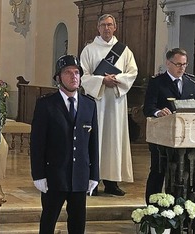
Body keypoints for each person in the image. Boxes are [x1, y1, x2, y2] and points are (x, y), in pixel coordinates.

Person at [30, 55, 99, 234]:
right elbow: (37, 143)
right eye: (68, 72)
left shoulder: (89, 105)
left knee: (77, 223)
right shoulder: (46, 104)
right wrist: (38, 174)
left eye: (77, 72)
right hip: (54, 175)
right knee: (48, 220)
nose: (74, 76)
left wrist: (94, 175)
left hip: (79, 176)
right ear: (58, 78)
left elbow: (93, 143)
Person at [79, 13, 137, 196]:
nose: (107, 28)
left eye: (110, 25)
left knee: (114, 140)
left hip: (116, 103)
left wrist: (117, 79)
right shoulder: (89, 50)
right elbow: (82, 75)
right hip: (96, 102)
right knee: (96, 140)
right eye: (103, 25)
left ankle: (112, 182)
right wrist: (102, 80)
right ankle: (93, 182)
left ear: (115, 27)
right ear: (98, 27)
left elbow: (132, 72)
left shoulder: (124, 50)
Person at [143, 48, 195, 203]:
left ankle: (179, 206)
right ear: (168, 63)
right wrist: (158, 112)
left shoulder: (191, 84)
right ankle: (152, 208)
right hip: (161, 138)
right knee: (158, 172)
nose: (181, 68)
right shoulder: (157, 83)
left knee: (182, 174)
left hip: (186, 139)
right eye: (178, 64)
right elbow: (148, 108)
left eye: (184, 64)